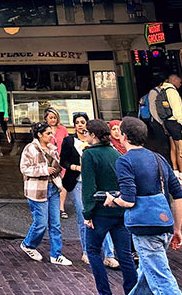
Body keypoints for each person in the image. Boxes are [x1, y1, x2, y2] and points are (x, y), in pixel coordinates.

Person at [105, 116, 182, 295]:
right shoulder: (158, 158)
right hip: (164, 224)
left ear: (124, 136)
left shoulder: (124, 161)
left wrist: (112, 200)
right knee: (146, 277)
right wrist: (177, 228)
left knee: (161, 279)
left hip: (144, 227)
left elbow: (128, 199)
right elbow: (179, 195)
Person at [80, 119, 137, 295]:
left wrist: (87, 214)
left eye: (87, 132)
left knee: (93, 251)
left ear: (93, 135)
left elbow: (88, 187)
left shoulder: (89, 155)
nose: (84, 135)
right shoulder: (115, 153)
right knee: (125, 255)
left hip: (100, 212)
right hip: (120, 211)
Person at [60, 112, 117, 267]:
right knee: (83, 215)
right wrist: (76, 167)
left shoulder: (96, 142)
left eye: (83, 121)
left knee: (101, 217)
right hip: (77, 182)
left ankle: (109, 254)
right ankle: (86, 250)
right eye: (77, 122)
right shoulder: (69, 141)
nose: (80, 124)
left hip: (97, 183)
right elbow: (63, 161)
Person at [18, 121, 72, 266]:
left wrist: (58, 180)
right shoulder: (30, 149)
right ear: (39, 135)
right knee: (41, 223)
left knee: (55, 223)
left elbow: (56, 169)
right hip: (37, 190)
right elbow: (24, 169)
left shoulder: (52, 149)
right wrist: (43, 170)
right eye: (48, 133)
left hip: (53, 189)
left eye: (51, 133)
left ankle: (56, 254)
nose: (51, 135)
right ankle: (28, 244)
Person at [156, 74, 182, 187]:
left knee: (173, 148)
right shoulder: (172, 91)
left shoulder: (163, 90)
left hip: (168, 122)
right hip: (176, 122)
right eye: (179, 82)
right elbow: (177, 109)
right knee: (181, 149)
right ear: (173, 80)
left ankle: (175, 172)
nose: (180, 84)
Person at [44, 107, 70, 218]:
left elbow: (68, 142)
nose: (53, 120)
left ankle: (61, 208)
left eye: (55, 117)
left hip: (62, 159)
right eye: (51, 118)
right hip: (49, 160)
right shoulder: (44, 130)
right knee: (50, 183)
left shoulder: (62, 129)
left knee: (62, 184)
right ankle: (50, 207)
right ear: (46, 119)